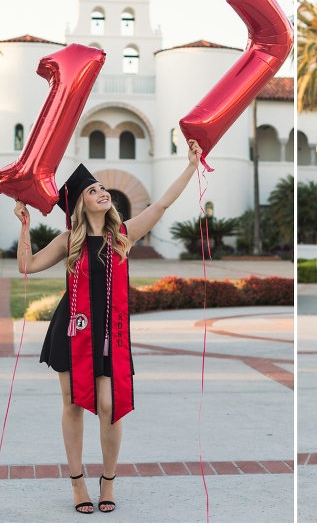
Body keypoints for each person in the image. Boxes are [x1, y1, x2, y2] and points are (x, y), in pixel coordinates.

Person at [13, 141, 202, 513]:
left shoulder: (122, 236)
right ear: (81, 203)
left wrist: (191, 166)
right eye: (93, 190)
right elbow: (27, 266)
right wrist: (25, 226)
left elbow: (161, 204)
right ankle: (77, 482)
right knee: (72, 404)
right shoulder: (69, 240)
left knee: (108, 404)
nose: (102, 193)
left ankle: (108, 481)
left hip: (108, 332)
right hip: (72, 327)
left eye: (103, 188)